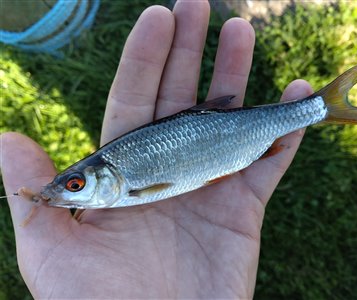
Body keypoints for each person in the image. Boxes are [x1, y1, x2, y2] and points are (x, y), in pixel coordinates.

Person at [0, 0, 313, 298]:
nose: (68, 193)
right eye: (74, 185)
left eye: (75, 184)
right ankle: (316, 109)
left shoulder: (126, 187)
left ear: (103, 177)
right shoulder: (116, 190)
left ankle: (317, 109)